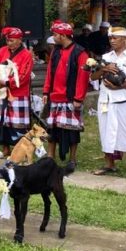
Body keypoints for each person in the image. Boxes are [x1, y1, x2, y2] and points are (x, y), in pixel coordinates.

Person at [90, 26, 126, 178]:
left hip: (123, 100)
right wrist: (104, 69)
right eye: (110, 38)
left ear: (124, 39)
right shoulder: (106, 57)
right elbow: (93, 77)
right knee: (106, 131)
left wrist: (118, 86)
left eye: (115, 38)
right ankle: (109, 164)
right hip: (105, 101)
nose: (112, 41)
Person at [43, 20, 90, 167]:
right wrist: (46, 91)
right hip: (55, 96)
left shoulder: (80, 52)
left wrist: (78, 98)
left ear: (63, 36)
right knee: (52, 128)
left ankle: (73, 159)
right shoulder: (55, 51)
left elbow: (83, 77)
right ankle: (50, 156)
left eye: (55, 34)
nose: (54, 37)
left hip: (70, 98)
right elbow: (49, 72)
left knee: (72, 130)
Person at [0, 27, 34, 159]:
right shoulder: (3, 51)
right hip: (1, 91)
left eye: (11, 40)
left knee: (17, 123)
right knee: (3, 121)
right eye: (7, 40)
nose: (8, 43)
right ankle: (5, 149)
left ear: (20, 40)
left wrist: (6, 82)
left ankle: (19, 152)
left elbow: (24, 76)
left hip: (18, 93)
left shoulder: (26, 54)